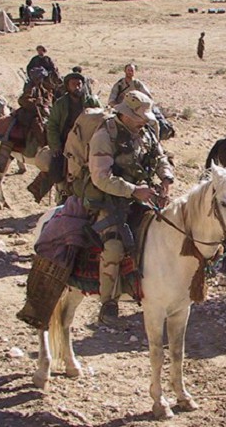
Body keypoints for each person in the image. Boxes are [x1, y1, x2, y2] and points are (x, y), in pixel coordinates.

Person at [86, 91, 175, 325]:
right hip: (111, 199)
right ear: (125, 115)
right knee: (114, 246)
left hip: (144, 195)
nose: (144, 121)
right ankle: (108, 303)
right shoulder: (105, 135)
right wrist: (133, 190)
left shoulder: (145, 132)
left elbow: (161, 157)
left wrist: (165, 178)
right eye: (140, 117)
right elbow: (101, 177)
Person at [45, 72, 102, 201]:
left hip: (89, 140)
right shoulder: (60, 104)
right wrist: (56, 145)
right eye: (73, 84)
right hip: (66, 142)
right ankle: (62, 195)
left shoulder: (91, 101)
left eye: (79, 84)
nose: (77, 87)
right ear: (67, 86)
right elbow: (52, 125)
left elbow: (102, 117)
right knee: (57, 168)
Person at [0, 68, 54, 172]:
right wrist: (35, 102)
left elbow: (47, 98)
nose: (41, 80)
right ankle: (42, 146)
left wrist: (44, 102)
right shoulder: (29, 87)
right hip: (28, 114)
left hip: (40, 110)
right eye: (39, 78)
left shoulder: (41, 87)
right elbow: (23, 100)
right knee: (38, 125)